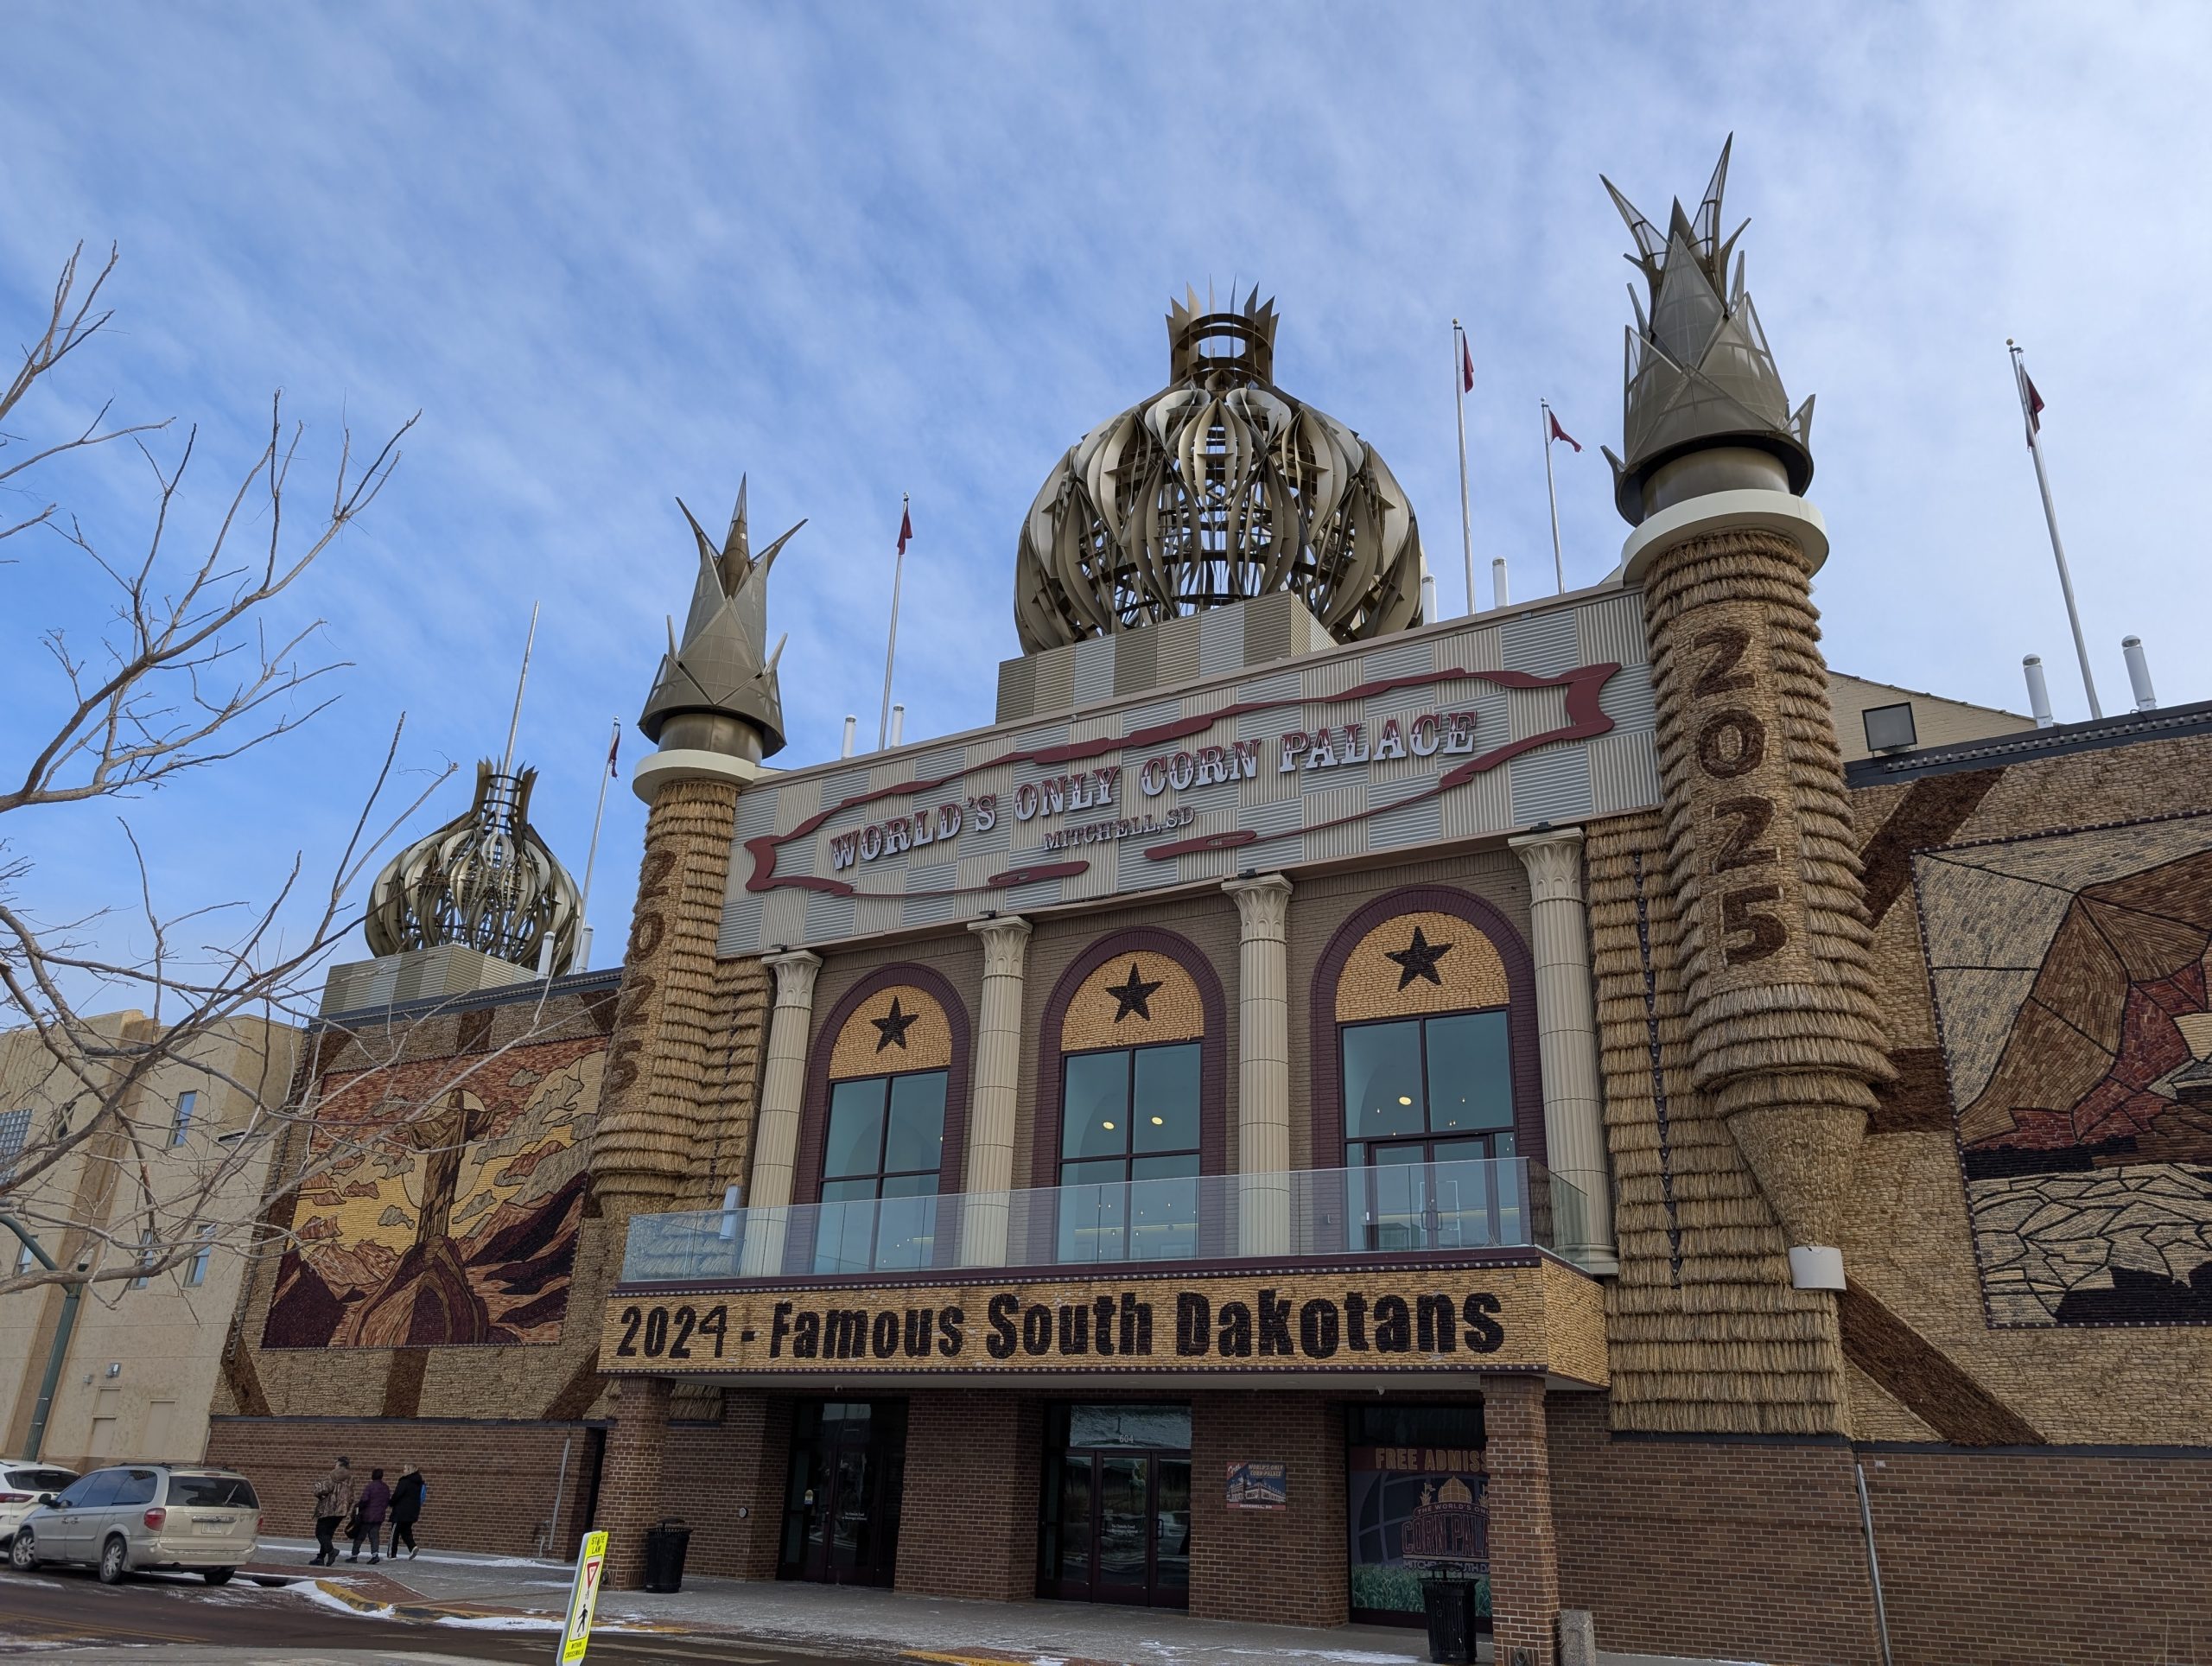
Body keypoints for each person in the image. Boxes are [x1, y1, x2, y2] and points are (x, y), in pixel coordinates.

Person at [310, 1456, 352, 1567]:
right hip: (341, 1511)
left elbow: (323, 1489)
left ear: (340, 1465)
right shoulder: (350, 1478)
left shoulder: (333, 1475)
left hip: (329, 1509)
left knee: (320, 1533)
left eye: (336, 1464)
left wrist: (316, 1487)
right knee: (328, 1534)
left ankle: (332, 1551)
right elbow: (351, 1497)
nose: (334, 1465)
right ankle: (321, 1558)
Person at [349, 1467, 391, 1563]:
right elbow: (387, 1501)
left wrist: (358, 1507)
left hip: (367, 1516)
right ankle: (375, 1555)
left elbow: (364, 1500)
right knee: (375, 1537)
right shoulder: (386, 1487)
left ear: (373, 1476)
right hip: (379, 1516)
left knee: (360, 1536)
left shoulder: (370, 1486)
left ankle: (354, 1556)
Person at [389, 1464, 425, 1559]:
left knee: (394, 1532)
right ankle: (412, 1546)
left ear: (409, 1470)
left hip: (400, 1511)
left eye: (405, 1469)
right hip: (412, 1512)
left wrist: (391, 1502)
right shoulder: (419, 1483)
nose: (403, 1471)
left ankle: (391, 1554)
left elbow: (397, 1494)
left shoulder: (404, 1481)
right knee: (406, 1531)